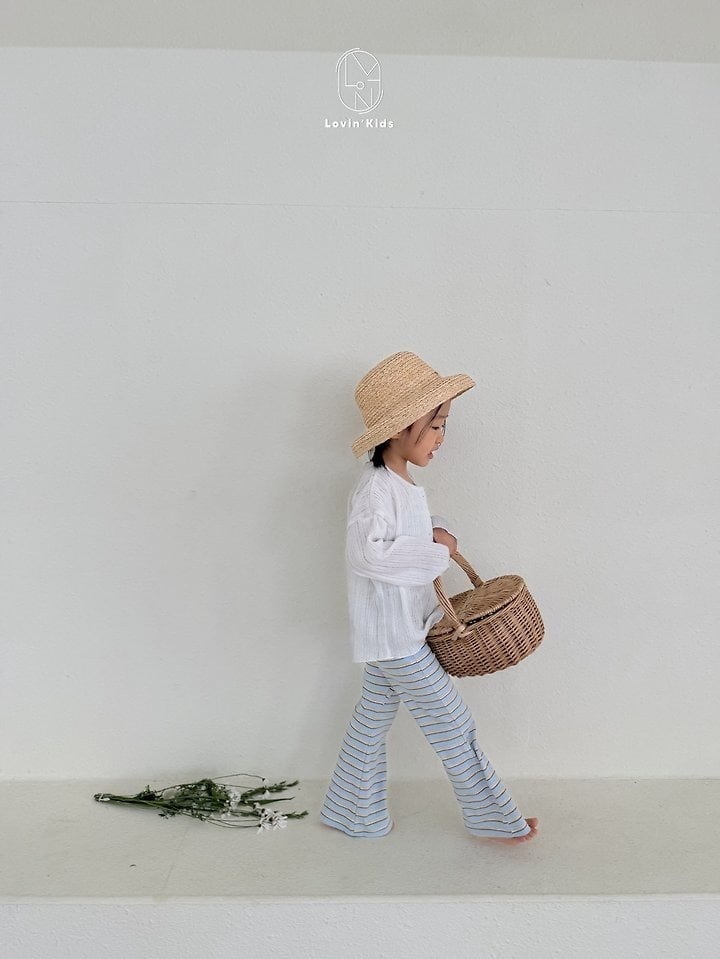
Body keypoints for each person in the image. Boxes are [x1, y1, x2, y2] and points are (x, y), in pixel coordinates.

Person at [319, 351, 539, 843]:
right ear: (401, 429)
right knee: (453, 724)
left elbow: (411, 532)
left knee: (370, 726)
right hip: (397, 637)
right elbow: (368, 554)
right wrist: (436, 552)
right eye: (436, 426)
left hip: (398, 633)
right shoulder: (374, 490)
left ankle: (351, 813)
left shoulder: (399, 484)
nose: (442, 437)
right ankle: (495, 820)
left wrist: (437, 531)